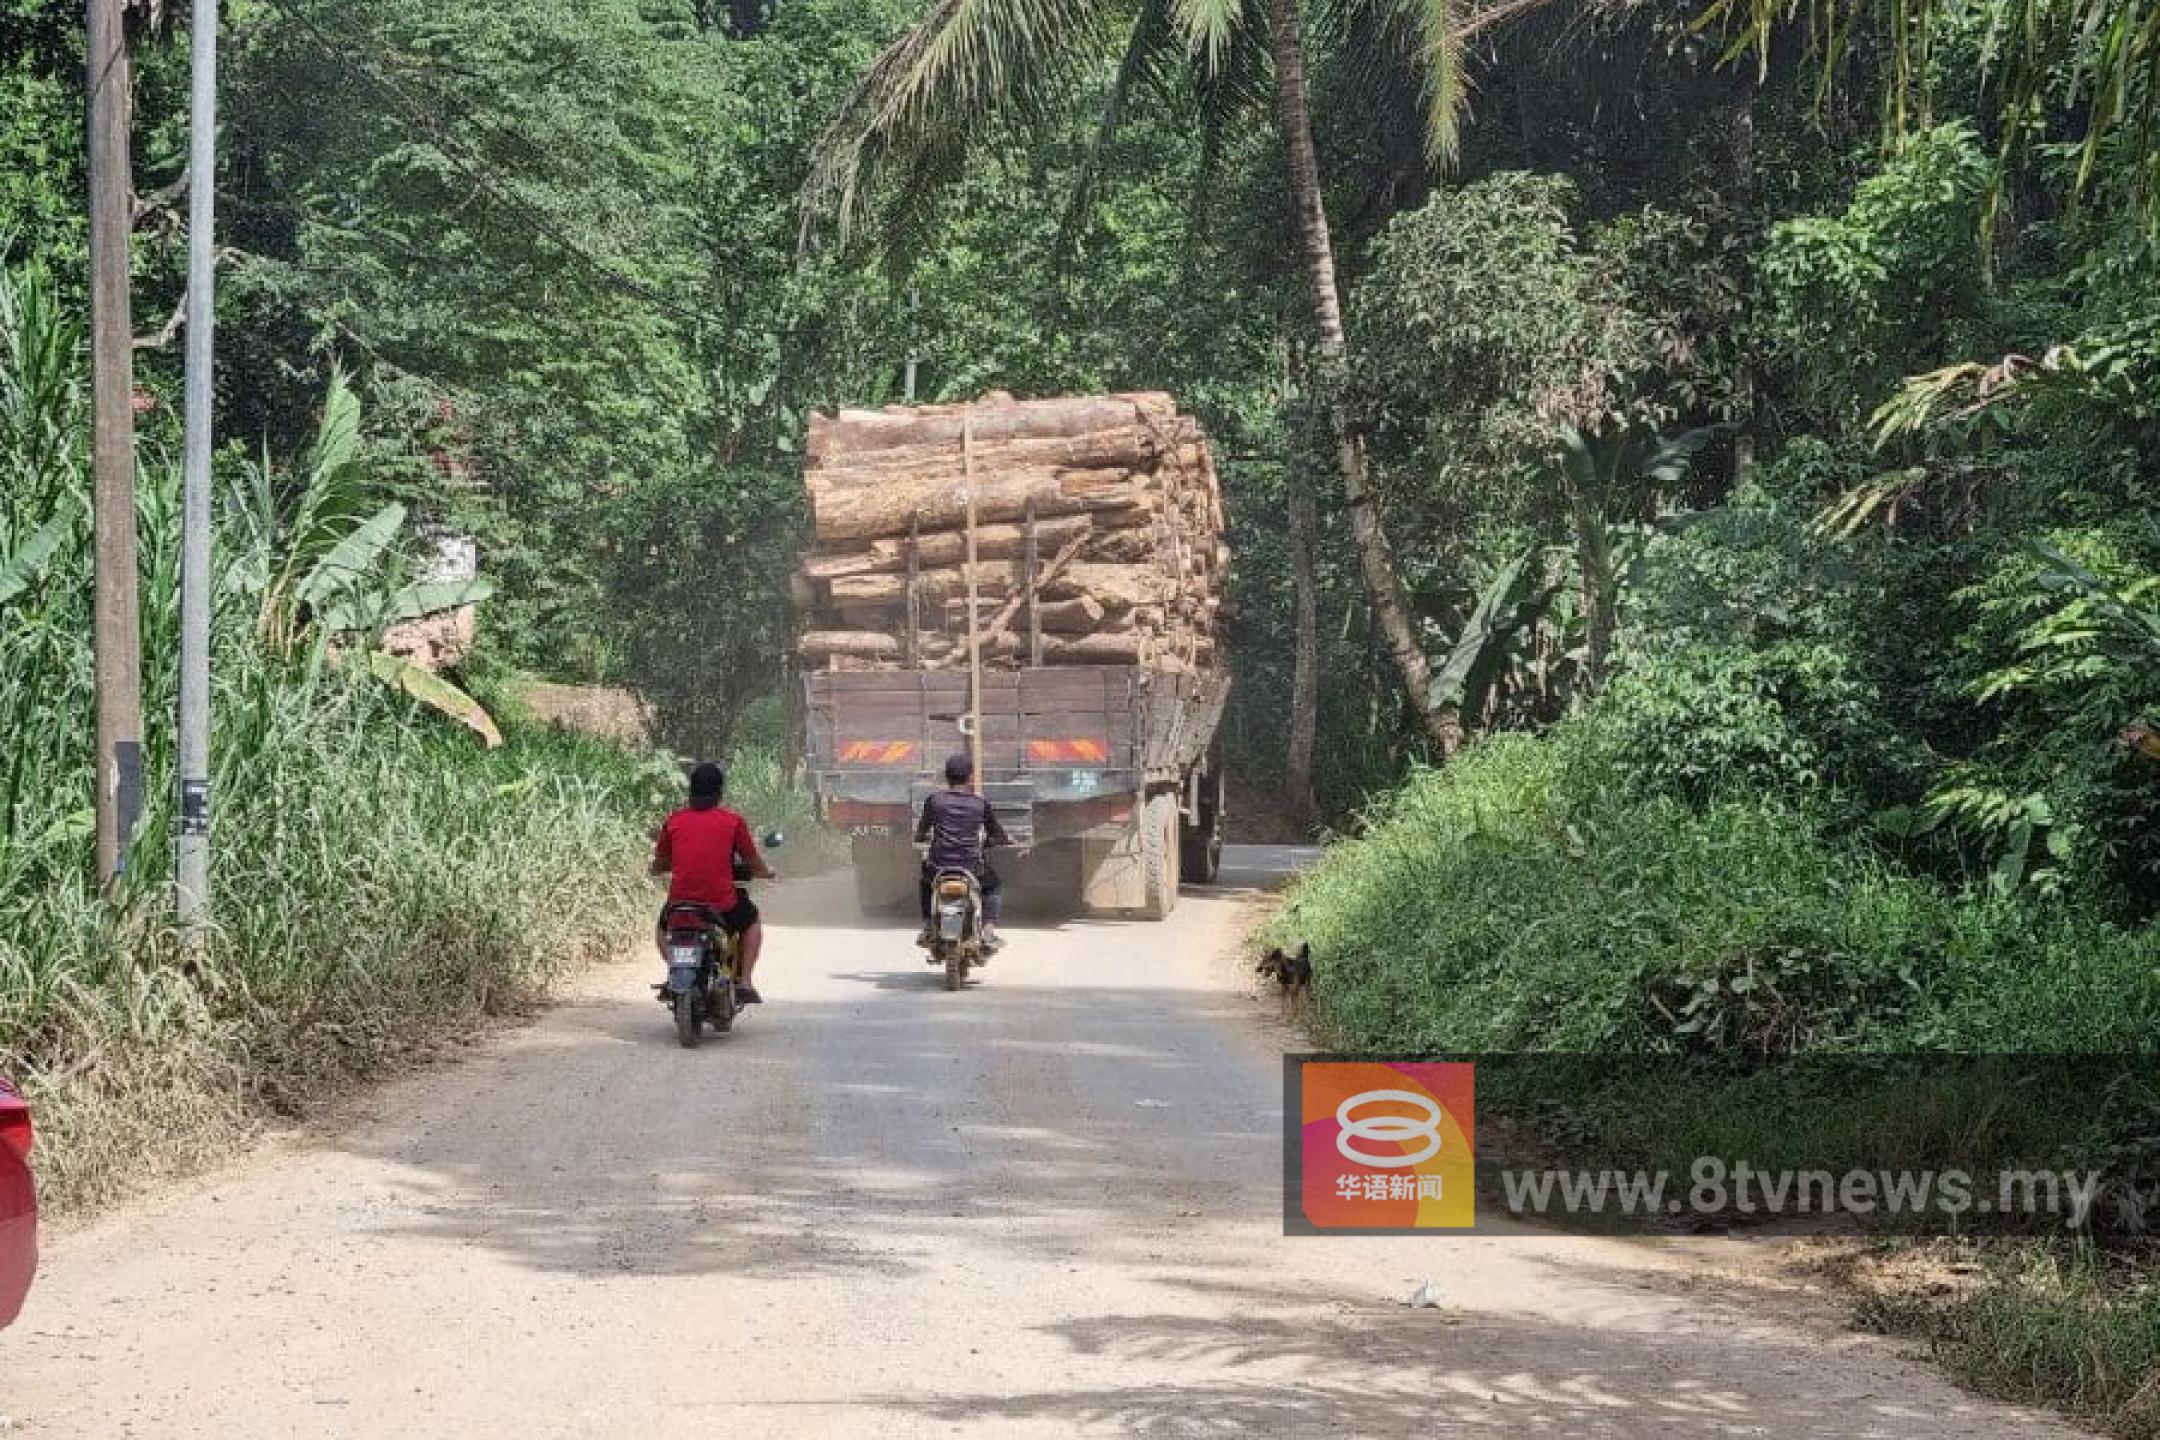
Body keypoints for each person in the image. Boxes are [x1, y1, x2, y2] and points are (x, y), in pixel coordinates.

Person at [652, 762, 775, 1002]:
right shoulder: (732, 821)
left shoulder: (673, 821)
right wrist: (767, 872)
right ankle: (746, 981)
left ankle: (674, 972)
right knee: (751, 921)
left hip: (681, 905)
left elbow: (659, 863)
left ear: (691, 791)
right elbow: (752, 860)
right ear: (719, 792)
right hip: (722, 905)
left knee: (662, 929)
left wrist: (658, 868)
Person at [917, 752, 1009, 949]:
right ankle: (988, 929)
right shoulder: (979, 803)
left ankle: (927, 925)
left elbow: (922, 830)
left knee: (925, 883)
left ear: (946, 776)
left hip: (938, 867)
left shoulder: (934, 801)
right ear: (970, 777)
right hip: (971, 867)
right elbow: (996, 834)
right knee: (993, 887)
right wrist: (993, 842)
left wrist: (920, 838)